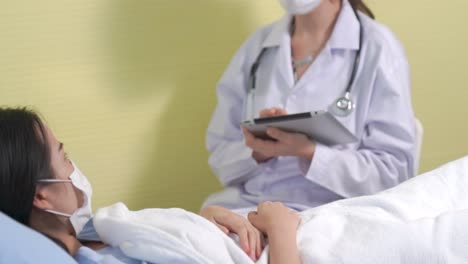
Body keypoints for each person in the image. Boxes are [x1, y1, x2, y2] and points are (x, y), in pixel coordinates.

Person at [0, 107, 301, 263]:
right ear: (42, 196)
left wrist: (202, 222)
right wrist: (280, 228)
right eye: (63, 156)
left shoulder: (94, 230)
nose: (73, 168)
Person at [203, 0, 417, 211]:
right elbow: (220, 152)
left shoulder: (378, 46)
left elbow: (394, 173)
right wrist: (258, 150)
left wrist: (309, 152)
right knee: (184, 236)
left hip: (332, 212)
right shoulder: (257, 46)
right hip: (249, 206)